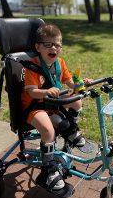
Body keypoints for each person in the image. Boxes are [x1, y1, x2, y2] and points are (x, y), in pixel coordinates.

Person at [21, 23, 88, 192]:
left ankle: (70, 132)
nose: (54, 48)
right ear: (38, 47)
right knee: (49, 132)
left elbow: (70, 83)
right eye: (49, 44)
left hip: (54, 104)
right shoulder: (32, 66)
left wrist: (80, 84)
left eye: (58, 45)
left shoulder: (60, 63)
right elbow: (31, 93)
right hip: (35, 107)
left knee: (77, 101)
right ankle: (48, 170)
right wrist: (45, 91)